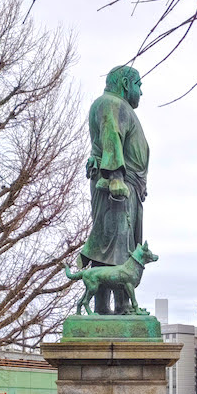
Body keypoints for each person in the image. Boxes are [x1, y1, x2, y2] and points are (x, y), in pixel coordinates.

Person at [80, 65, 149, 314]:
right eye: (138, 85)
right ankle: (119, 306)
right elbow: (111, 137)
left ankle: (108, 306)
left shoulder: (114, 106)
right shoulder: (112, 104)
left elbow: (105, 141)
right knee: (116, 246)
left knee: (114, 244)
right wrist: (116, 176)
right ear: (125, 84)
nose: (141, 91)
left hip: (125, 187)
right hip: (116, 186)